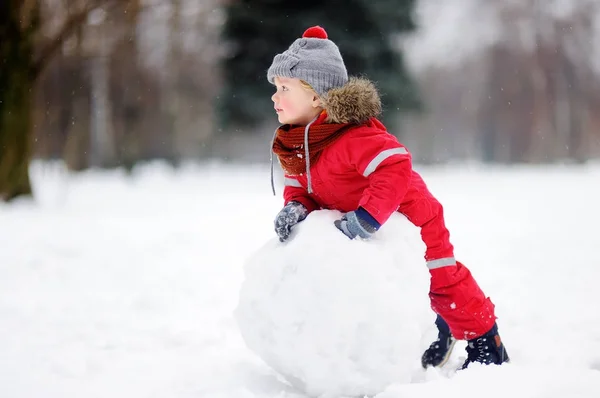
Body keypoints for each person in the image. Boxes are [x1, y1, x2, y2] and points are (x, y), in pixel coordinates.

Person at [267, 25, 509, 370]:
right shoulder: (299, 142)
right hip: (370, 221)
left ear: (317, 96)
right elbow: (301, 185)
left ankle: (488, 342)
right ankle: (432, 332)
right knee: (393, 284)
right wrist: (296, 206)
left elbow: (395, 165)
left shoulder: (351, 136)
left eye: (285, 88)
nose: (275, 97)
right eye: (275, 88)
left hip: (413, 217)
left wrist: (367, 218)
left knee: (441, 282)